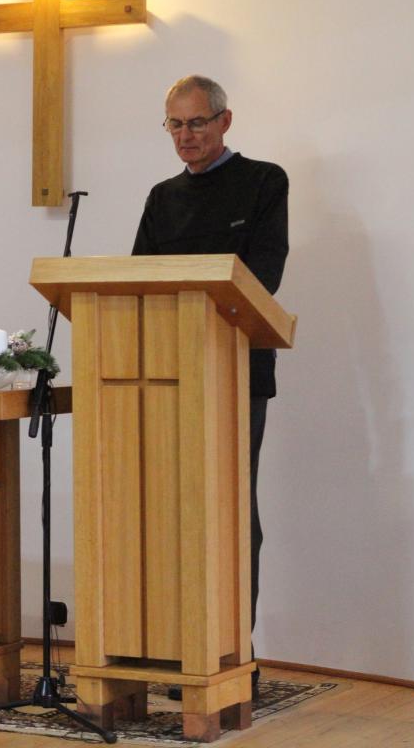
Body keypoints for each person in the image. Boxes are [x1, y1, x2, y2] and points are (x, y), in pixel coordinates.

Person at [132, 74, 289, 699]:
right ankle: (170, 647)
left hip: (234, 372)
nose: (185, 136)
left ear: (225, 121)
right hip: (161, 376)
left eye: (197, 122)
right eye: (175, 124)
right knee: (168, 512)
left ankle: (229, 655)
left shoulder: (264, 182)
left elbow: (263, 277)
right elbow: (137, 285)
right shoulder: (161, 196)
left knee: (228, 512)